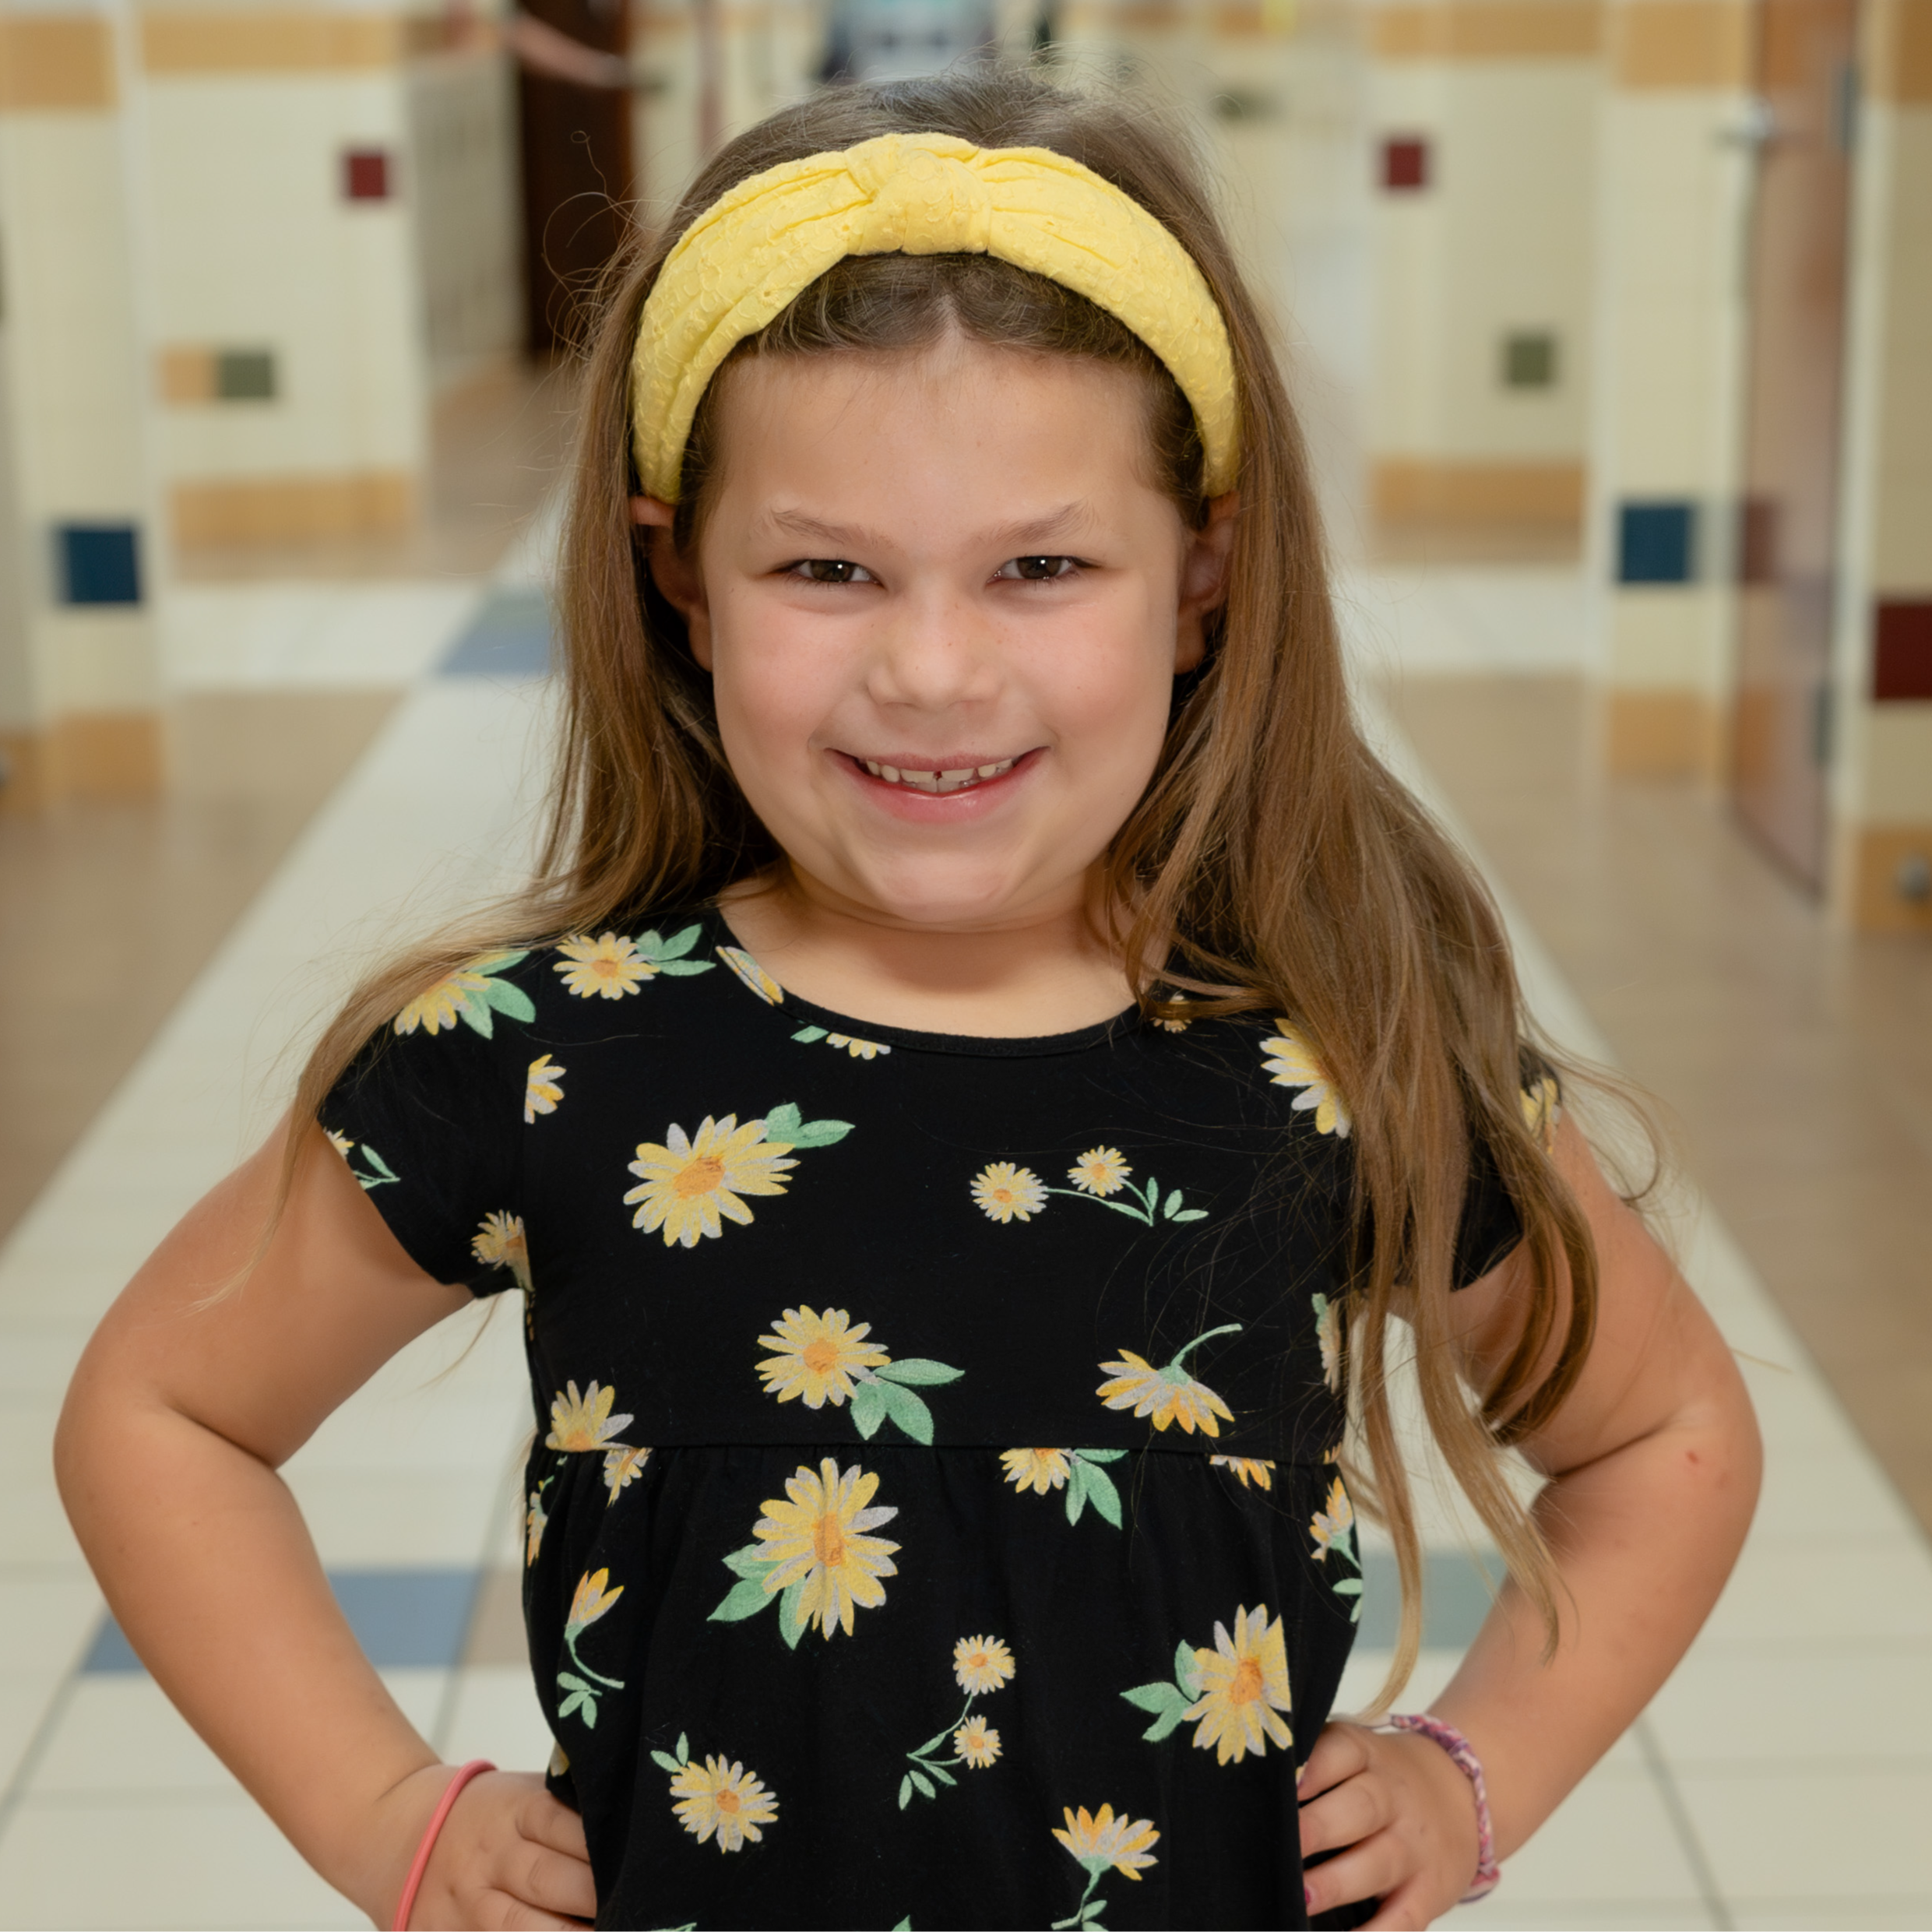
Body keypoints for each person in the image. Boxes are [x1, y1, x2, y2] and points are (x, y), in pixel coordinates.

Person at [55, 66, 1760, 1932]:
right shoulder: (542, 1056)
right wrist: (384, 1809)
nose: (932, 669)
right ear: (678, 582)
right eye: (824, 569)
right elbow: (163, 1410)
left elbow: (1659, 1435)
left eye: (1040, 566)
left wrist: (1470, 1766)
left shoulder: (1342, 1064)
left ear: (1201, 576)